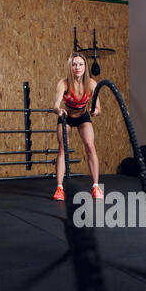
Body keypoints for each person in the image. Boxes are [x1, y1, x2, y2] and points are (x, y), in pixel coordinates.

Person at [52, 52, 103, 200]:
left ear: (85, 66)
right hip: (66, 117)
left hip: (83, 117)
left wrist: (95, 111)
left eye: (80, 64)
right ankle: (59, 189)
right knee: (62, 148)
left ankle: (95, 187)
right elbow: (55, 105)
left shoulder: (92, 84)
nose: (77, 67)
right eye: (74, 64)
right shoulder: (64, 83)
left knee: (90, 146)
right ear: (70, 67)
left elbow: (98, 108)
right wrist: (59, 110)